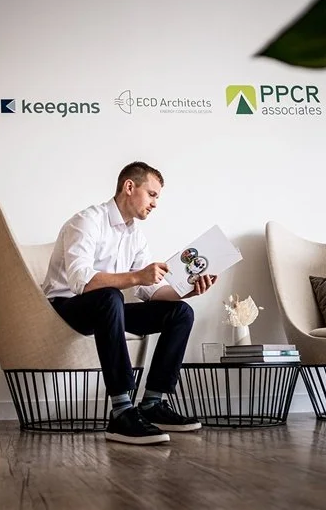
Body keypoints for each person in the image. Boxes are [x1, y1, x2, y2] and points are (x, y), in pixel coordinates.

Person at [42, 161, 218, 445]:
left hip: (107, 309)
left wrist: (187, 291)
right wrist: (137, 276)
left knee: (180, 312)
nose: (155, 203)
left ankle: (152, 403)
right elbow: (80, 281)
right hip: (66, 307)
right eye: (152, 194)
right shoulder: (86, 221)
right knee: (111, 296)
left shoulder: (135, 235)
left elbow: (151, 290)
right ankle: (121, 411)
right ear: (129, 187)